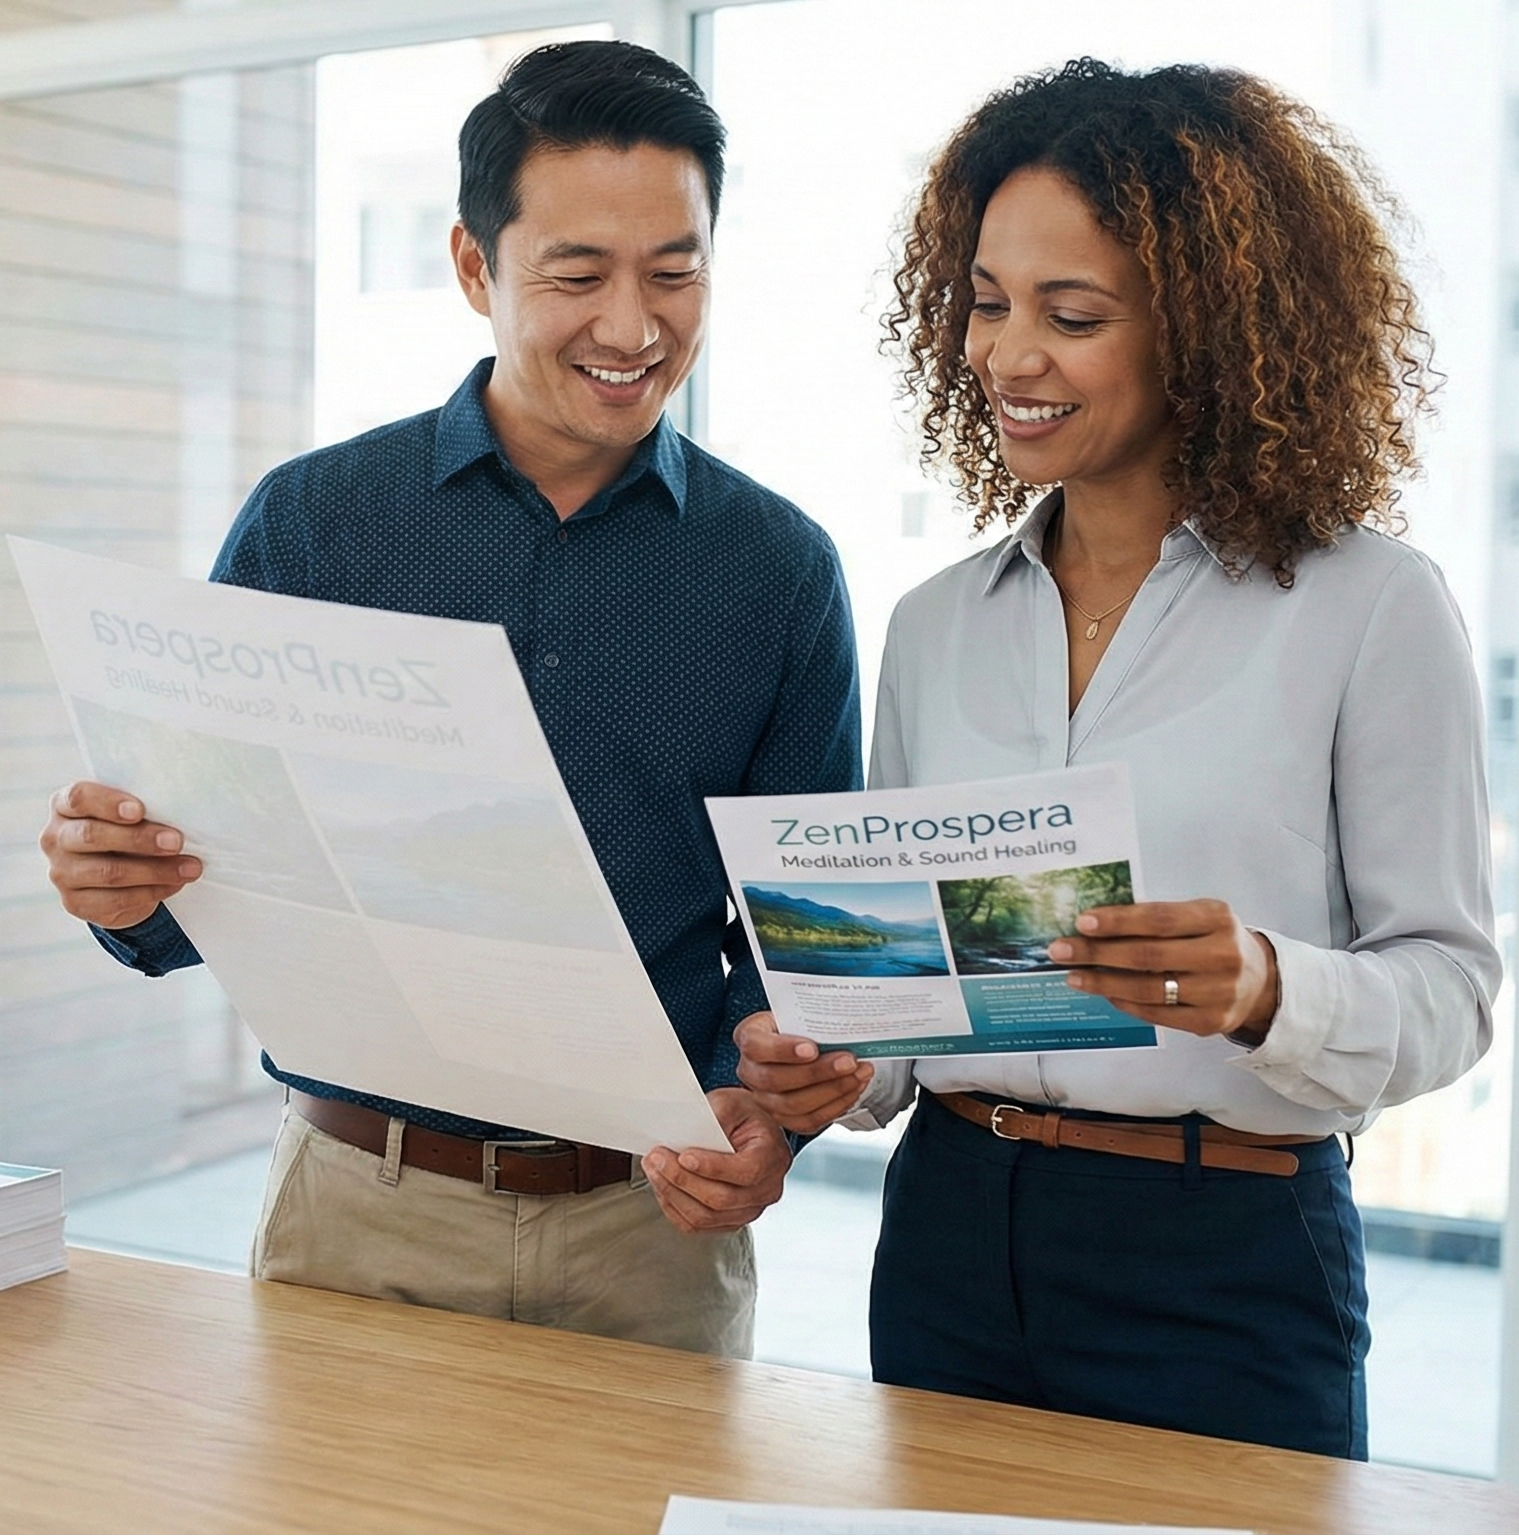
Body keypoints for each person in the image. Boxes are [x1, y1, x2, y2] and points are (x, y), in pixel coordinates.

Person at [38, 40, 860, 1357]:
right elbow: (206, 883)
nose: (632, 327)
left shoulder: (778, 571)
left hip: (646, 1227)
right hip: (358, 1213)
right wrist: (125, 891)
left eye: (673, 270)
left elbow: (800, 947)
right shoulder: (314, 524)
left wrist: (771, 1115)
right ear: (475, 266)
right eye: (578, 274)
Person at [736, 58, 1499, 1457]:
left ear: (1205, 329)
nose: (1004, 354)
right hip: (951, 1232)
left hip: (1223, 1251)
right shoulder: (933, 626)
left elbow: (1449, 989)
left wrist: (1266, 984)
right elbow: (918, 1025)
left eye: (1069, 316)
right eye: (984, 304)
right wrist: (834, 1069)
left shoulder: (1365, 608)